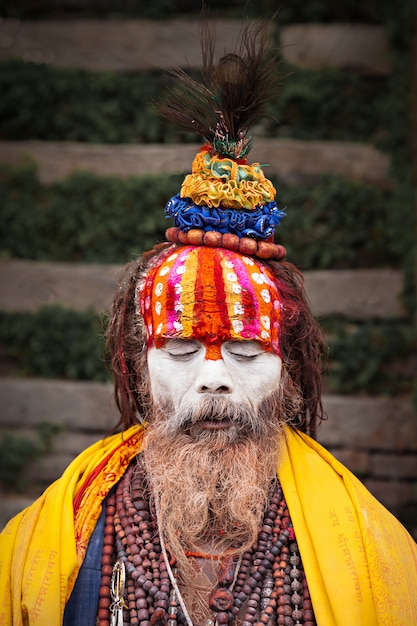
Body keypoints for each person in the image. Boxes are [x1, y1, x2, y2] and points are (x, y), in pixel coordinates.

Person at [1, 21, 416, 626]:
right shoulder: (57, 533)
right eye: (179, 349)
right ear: (137, 366)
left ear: (289, 371)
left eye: (246, 352)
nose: (213, 379)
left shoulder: (363, 539)